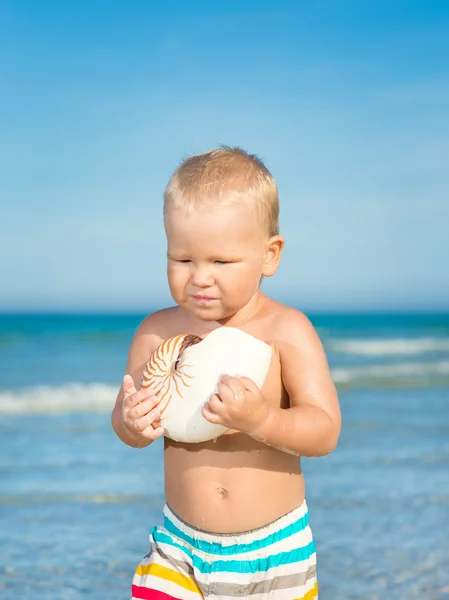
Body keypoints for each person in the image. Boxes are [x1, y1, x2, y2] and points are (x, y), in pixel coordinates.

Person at [111, 146, 341, 600]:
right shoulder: (157, 333)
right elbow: (126, 424)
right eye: (183, 260)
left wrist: (263, 420)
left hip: (273, 551)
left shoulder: (285, 330)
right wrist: (133, 423)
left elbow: (325, 429)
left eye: (221, 262)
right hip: (180, 546)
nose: (199, 277)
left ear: (269, 256)